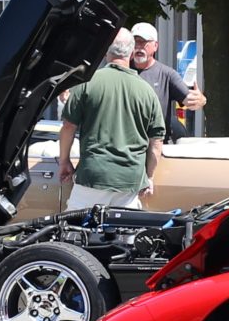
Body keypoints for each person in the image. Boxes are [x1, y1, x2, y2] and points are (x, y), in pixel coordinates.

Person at [58, 28, 165, 208]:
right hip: (130, 180)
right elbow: (156, 142)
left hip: (93, 176)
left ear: (106, 50)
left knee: (75, 231)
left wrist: (64, 161)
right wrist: (149, 176)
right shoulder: (147, 91)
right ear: (131, 54)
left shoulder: (86, 84)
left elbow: (68, 127)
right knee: (124, 233)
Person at [127, 22, 201, 143]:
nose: (139, 47)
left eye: (144, 42)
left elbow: (190, 100)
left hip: (155, 145)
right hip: (126, 146)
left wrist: (200, 100)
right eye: (135, 42)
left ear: (155, 46)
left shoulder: (167, 75)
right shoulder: (122, 71)